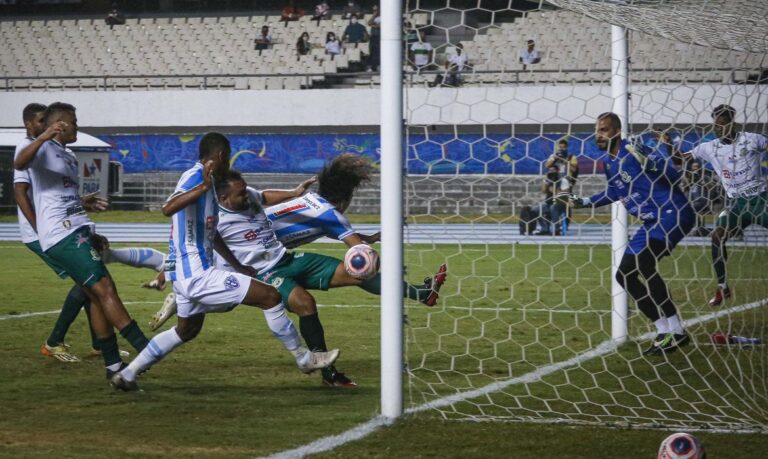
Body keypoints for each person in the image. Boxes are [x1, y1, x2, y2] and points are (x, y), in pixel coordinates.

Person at [110, 133, 338, 392]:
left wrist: (237, 265)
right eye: (227, 157)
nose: (229, 162)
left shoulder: (209, 184)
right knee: (270, 296)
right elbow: (167, 208)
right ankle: (304, 358)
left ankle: (128, 374)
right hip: (195, 273)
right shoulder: (196, 177)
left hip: (190, 273)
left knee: (186, 331)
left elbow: (212, 232)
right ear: (220, 156)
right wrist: (201, 188)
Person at [214, 169, 446, 388]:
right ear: (345, 200)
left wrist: (366, 240)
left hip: (286, 258)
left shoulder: (312, 201)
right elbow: (357, 248)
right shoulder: (331, 214)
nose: (245, 195)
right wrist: (373, 255)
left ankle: (423, 294)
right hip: (262, 272)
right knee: (306, 302)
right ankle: (328, 373)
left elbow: (274, 201)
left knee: (354, 275)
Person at [13, 102, 151, 379]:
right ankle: (148, 349)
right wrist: (44, 135)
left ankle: (113, 365)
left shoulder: (68, 154)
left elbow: (60, 197)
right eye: (74, 122)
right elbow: (20, 164)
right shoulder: (35, 147)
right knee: (105, 288)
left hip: (76, 229)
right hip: (60, 234)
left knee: (95, 296)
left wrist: (86, 218)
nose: (78, 126)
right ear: (61, 124)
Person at [570, 112, 695, 355]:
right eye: (597, 130)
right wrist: (583, 201)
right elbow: (615, 192)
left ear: (616, 131)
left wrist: (650, 161)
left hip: (672, 212)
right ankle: (663, 330)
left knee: (645, 263)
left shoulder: (638, 148)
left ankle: (677, 331)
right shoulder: (608, 162)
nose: (599, 134)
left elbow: (674, 176)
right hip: (651, 222)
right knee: (624, 275)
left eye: (604, 129)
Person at [675, 104, 768, 306]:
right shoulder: (708, 147)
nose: (718, 128)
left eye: (723, 124)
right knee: (717, 236)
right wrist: (667, 145)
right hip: (736, 204)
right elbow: (679, 160)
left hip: (761, 200)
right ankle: (722, 287)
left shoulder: (753, 139)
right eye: (716, 124)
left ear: (732, 123)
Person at [545, 138, 579, 234]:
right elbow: (547, 165)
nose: (561, 149)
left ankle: (566, 224)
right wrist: (556, 158)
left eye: (563, 148)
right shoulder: (553, 156)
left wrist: (564, 160)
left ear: (566, 147)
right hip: (554, 183)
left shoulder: (571, 157)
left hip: (566, 182)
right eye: (560, 147)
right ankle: (551, 225)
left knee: (566, 205)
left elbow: (574, 169)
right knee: (550, 203)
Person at [519, 166, 559, 236]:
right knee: (534, 210)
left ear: (557, 171)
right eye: (550, 170)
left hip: (558, 203)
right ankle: (543, 229)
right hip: (548, 202)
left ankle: (553, 229)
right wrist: (546, 181)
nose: (551, 172)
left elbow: (559, 192)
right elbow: (543, 191)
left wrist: (553, 185)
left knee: (550, 209)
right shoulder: (549, 179)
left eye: (553, 170)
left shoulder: (561, 180)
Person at [367, 5, 381, 71]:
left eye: (376, 10)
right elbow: (369, 23)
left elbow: (380, 26)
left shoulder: (383, 17)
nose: (375, 12)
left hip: (380, 37)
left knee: (379, 52)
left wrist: (373, 25)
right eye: (374, 10)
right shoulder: (374, 17)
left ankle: (379, 66)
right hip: (373, 37)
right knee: (372, 52)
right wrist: (374, 15)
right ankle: (372, 67)